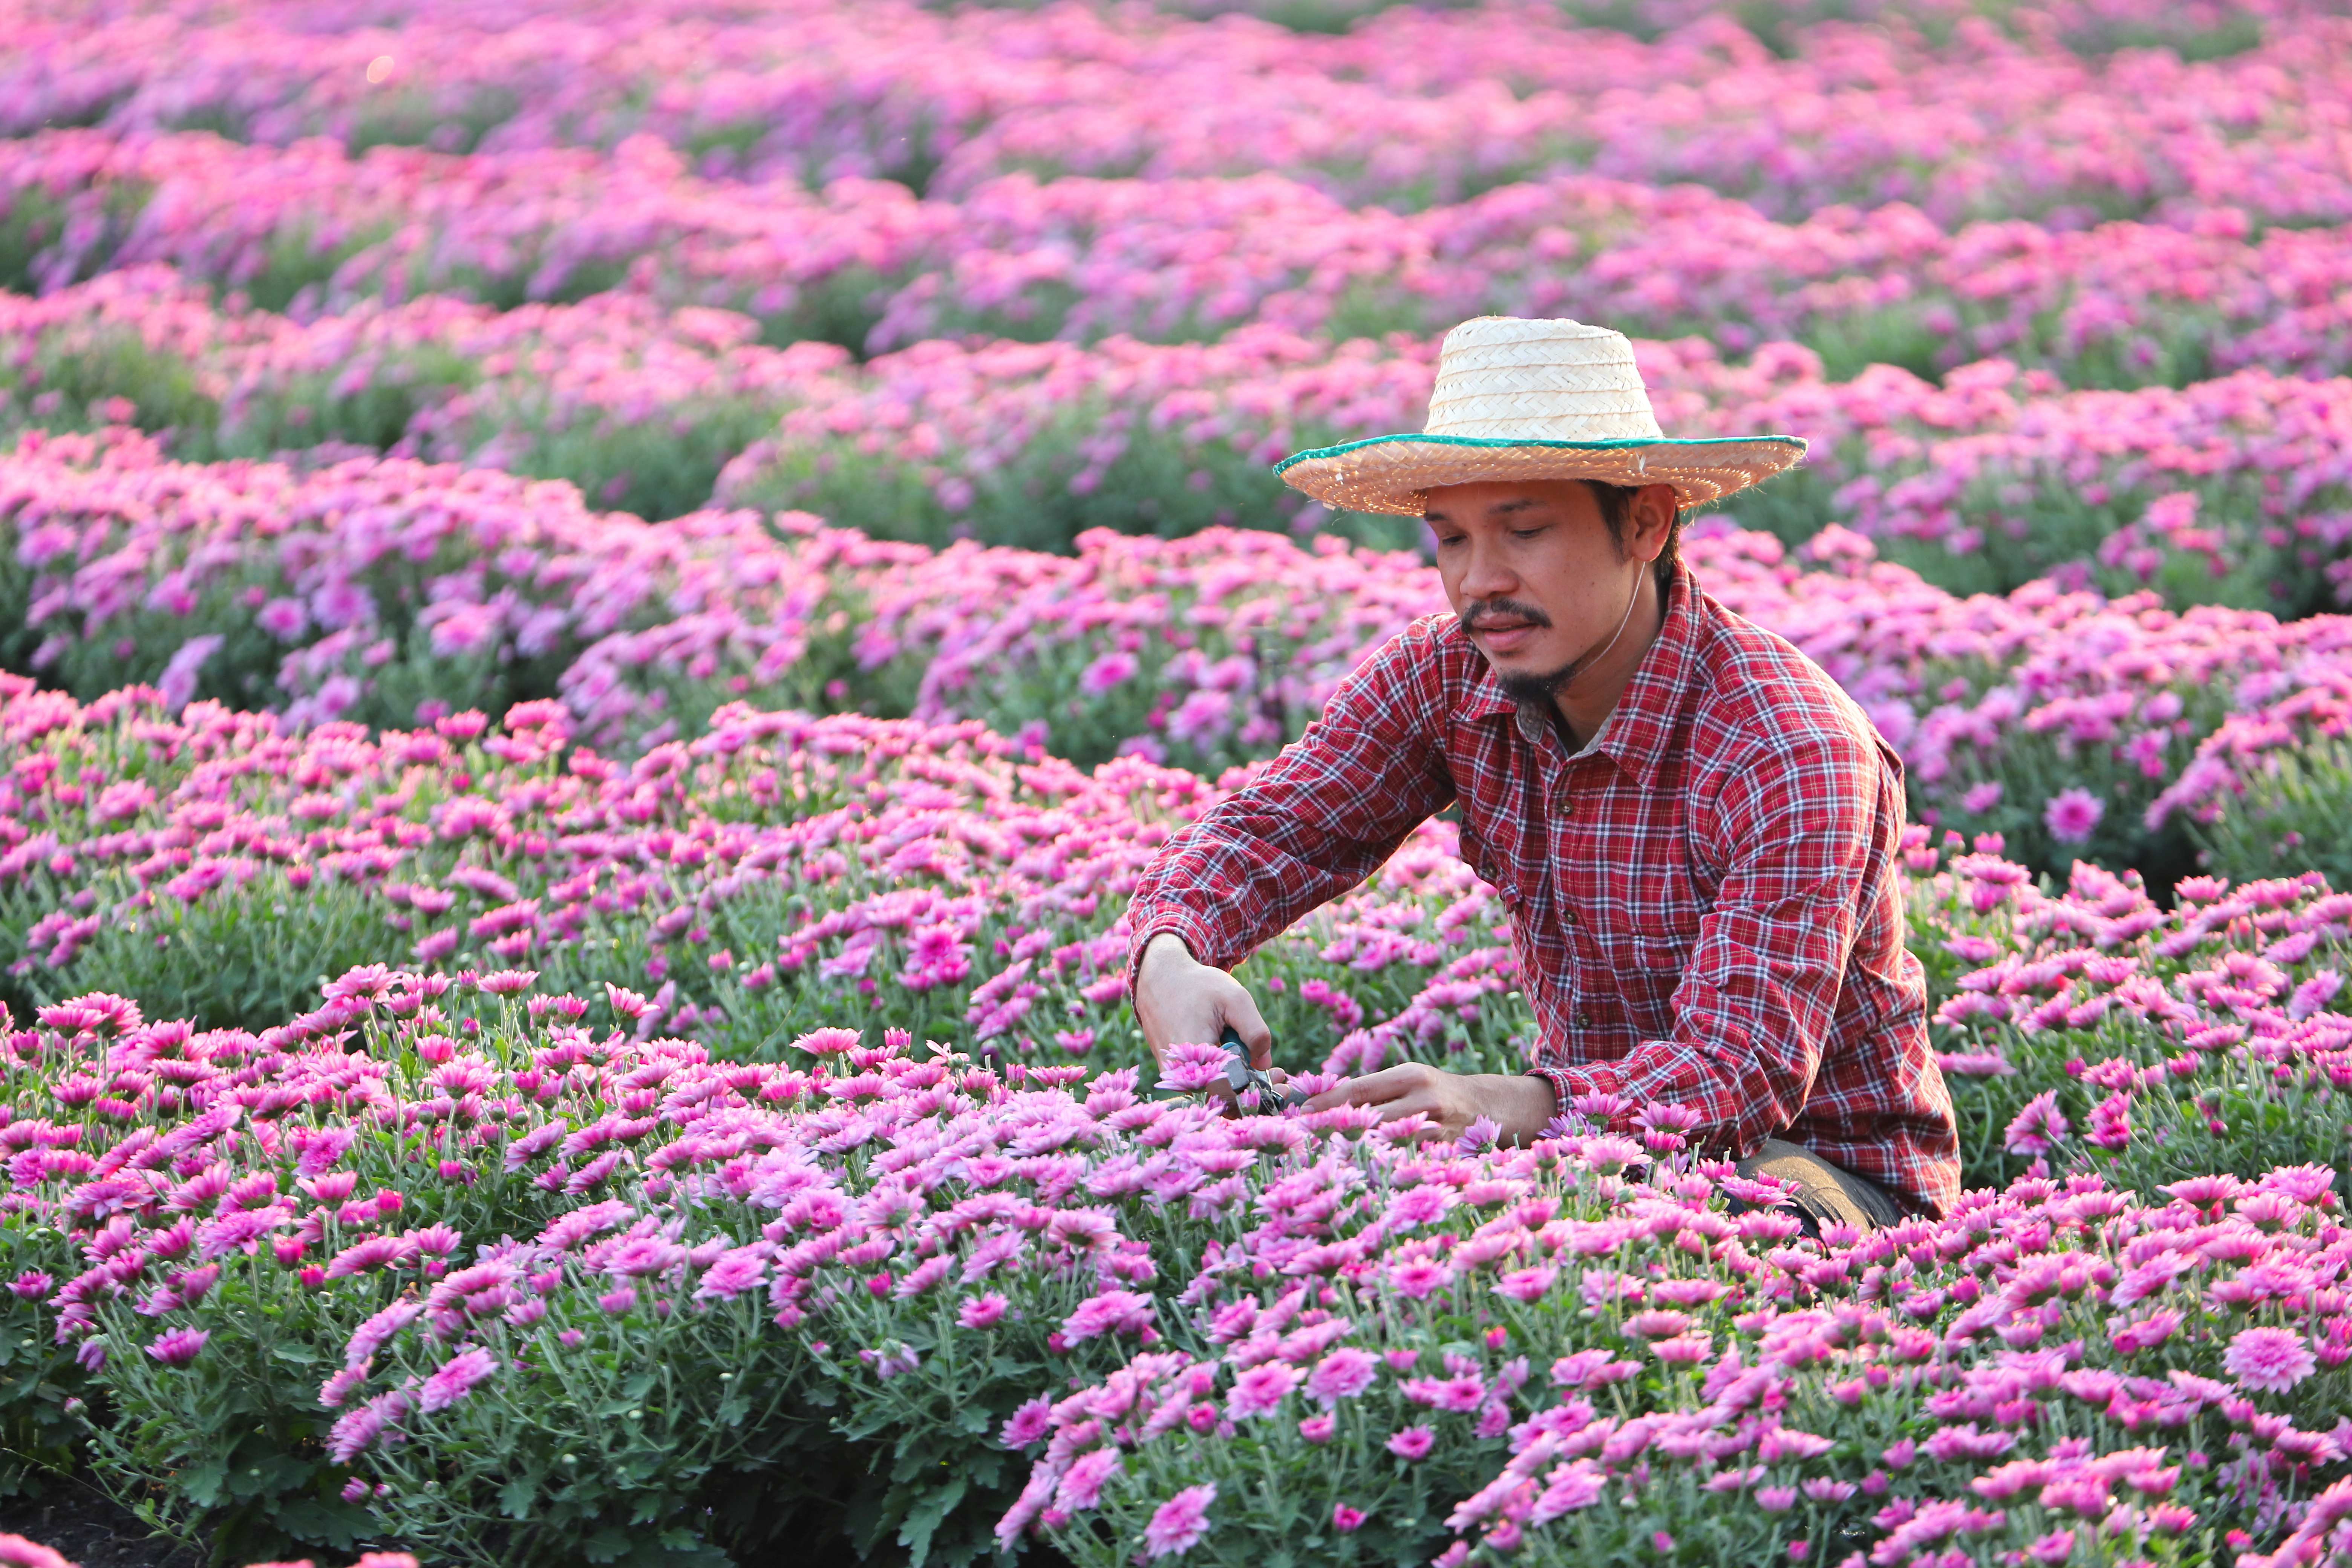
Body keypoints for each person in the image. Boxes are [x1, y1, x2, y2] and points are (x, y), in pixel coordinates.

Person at [1125, 316, 1960, 1229]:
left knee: (1614, 1244)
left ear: (1645, 524)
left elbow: (1739, 1072)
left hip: (1817, 1179)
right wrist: (1170, 954)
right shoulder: (1450, 672)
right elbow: (1272, 831)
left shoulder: (1787, 747)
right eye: (1449, 540)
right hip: (1575, 1159)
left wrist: (1502, 1108)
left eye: (1523, 531)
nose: (1480, 581)